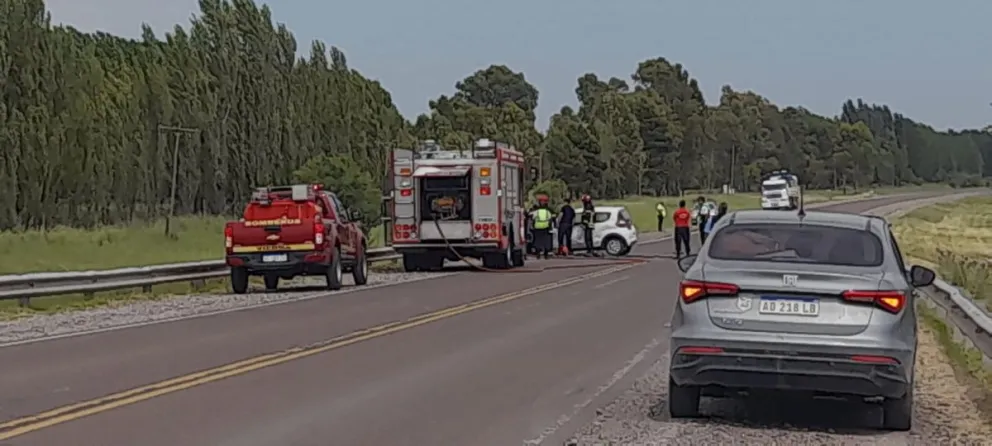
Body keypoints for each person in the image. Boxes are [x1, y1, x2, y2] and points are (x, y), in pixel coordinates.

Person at [531, 195, 555, 259]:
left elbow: (533, 219)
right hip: (546, 228)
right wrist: (550, 228)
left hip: (537, 228)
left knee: (538, 241)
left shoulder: (536, 211)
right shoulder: (548, 212)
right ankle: (546, 255)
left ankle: (538, 254)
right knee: (546, 242)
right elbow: (550, 220)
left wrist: (533, 226)